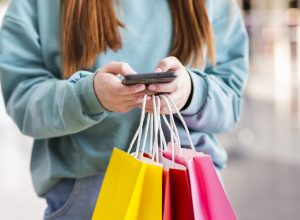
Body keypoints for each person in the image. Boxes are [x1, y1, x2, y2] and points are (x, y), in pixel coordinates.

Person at [0, 0, 248, 219]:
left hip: (189, 191)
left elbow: (231, 102)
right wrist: (89, 96)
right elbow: (23, 98)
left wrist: (191, 92)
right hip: (89, 198)